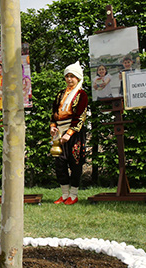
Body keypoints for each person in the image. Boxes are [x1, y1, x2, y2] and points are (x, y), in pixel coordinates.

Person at [50, 61, 88, 205]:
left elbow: (80, 115)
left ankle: (74, 194)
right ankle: (64, 194)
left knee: (75, 162)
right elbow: (54, 112)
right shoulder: (60, 94)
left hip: (74, 133)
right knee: (59, 163)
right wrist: (53, 126)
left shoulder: (81, 94)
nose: (69, 79)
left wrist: (69, 133)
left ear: (78, 78)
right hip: (59, 132)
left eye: (72, 76)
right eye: (67, 76)